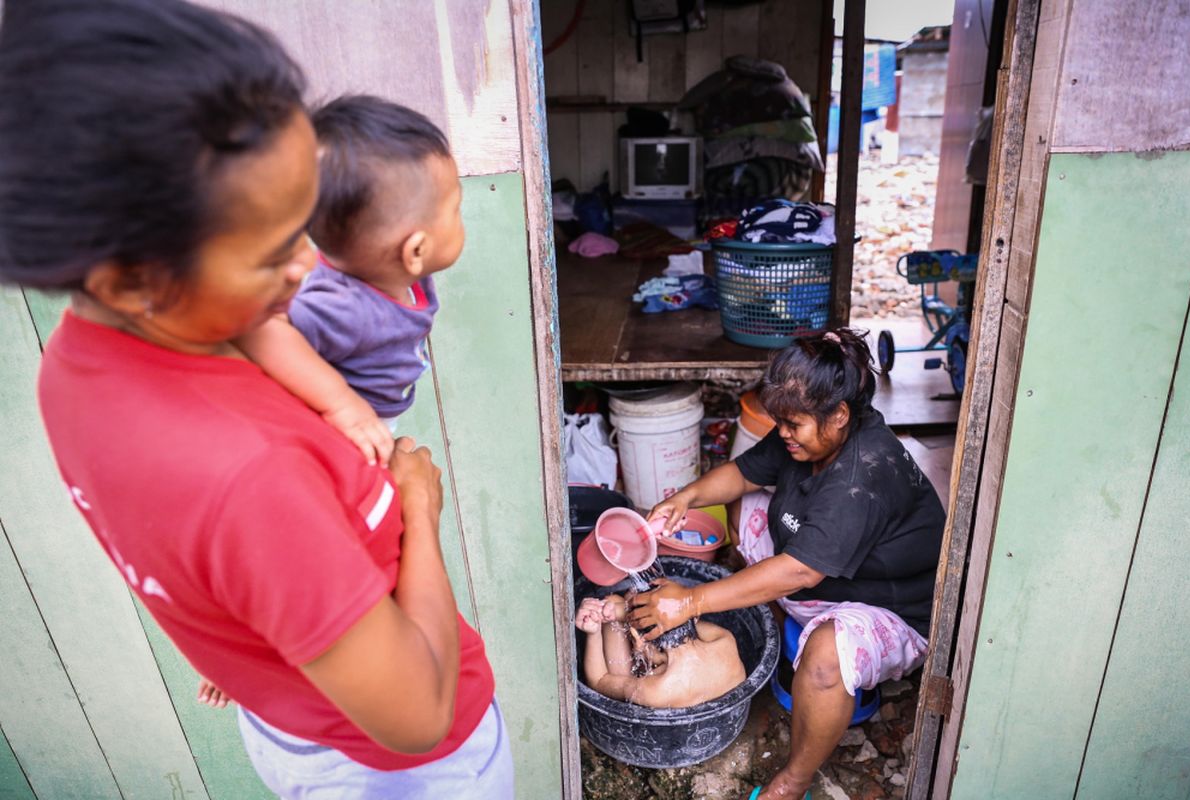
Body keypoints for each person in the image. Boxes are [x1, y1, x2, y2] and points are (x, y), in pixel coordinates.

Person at [0, 1, 512, 798]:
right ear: (132, 278)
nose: (311, 267)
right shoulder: (249, 478)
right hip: (398, 769)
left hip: (294, 719)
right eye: (274, 253)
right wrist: (419, 509)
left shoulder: (76, 367)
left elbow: (225, 578)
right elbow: (416, 716)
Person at [628, 328, 944, 800]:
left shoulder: (861, 478)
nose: (783, 433)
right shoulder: (812, 431)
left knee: (823, 659)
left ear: (839, 415)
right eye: (780, 422)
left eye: (792, 425)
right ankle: (779, 616)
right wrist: (687, 497)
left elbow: (801, 571)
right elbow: (742, 472)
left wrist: (690, 602)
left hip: (887, 605)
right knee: (746, 501)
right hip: (820, 575)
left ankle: (792, 782)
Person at [237, 95, 464, 452]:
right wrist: (341, 403)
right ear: (416, 251)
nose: (459, 219)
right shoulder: (345, 307)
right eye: (456, 209)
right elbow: (260, 328)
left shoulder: (399, 277)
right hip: (344, 436)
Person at [575, 594, 744, 709]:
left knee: (615, 600)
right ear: (694, 617)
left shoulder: (656, 690)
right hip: (723, 715)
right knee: (615, 600)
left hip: (673, 731)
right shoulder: (723, 639)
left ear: (640, 638)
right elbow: (672, 621)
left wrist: (593, 633)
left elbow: (599, 681)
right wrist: (609, 610)